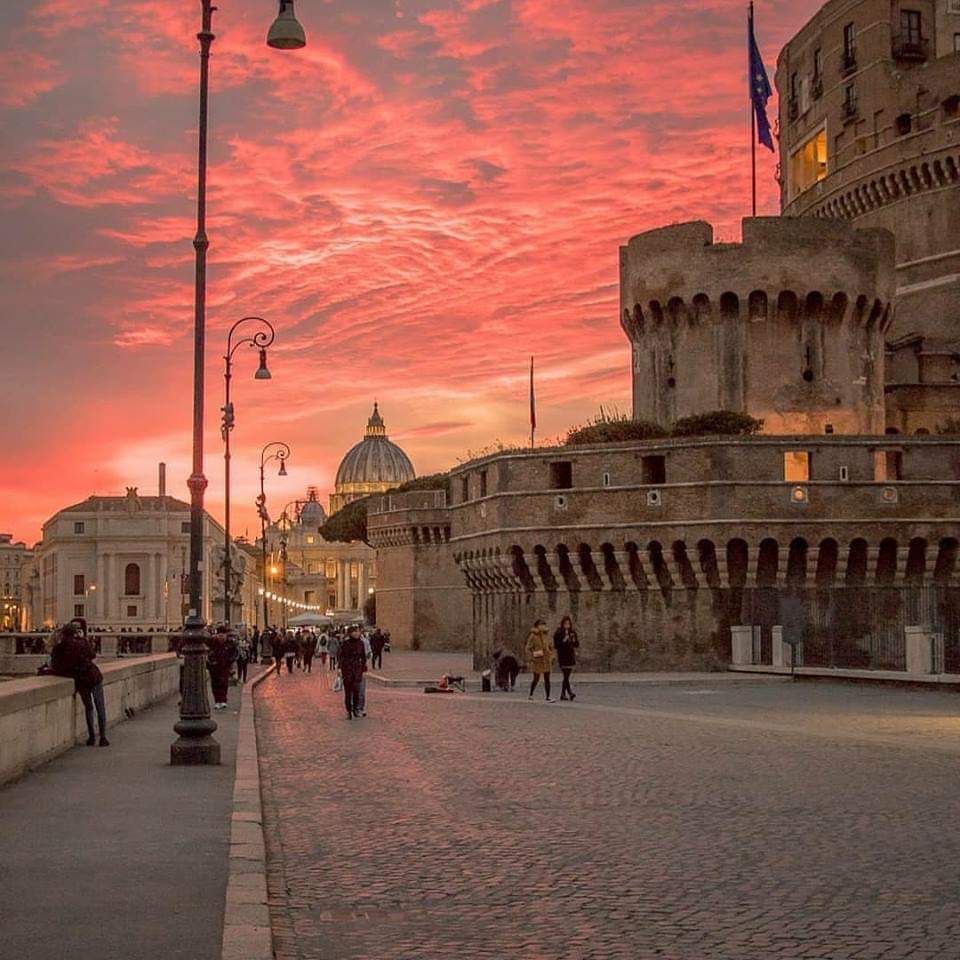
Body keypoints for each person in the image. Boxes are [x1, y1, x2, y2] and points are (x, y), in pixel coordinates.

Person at [50, 618, 109, 746]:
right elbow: (92, 655)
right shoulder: (82, 642)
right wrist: (83, 640)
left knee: (89, 708)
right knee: (100, 708)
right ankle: (103, 737)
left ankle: (92, 737)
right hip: (93, 676)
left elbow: (58, 666)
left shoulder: (60, 648)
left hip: (81, 680)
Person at [338, 625, 367, 719]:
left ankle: (355, 710)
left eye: (358, 631)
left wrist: (363, 669)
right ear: (350, 633)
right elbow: (341, 656)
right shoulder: (345, 643)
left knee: (356, 691)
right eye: (355, 631)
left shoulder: (361, 643)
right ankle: (348, 710)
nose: (357, 633)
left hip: (357, 669)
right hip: (347, 669)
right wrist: (339, 668)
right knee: (348, 692)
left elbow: (363, 657)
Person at [207, 627, 237, 710]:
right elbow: (207, 652)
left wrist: (230, 661)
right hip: (214, 666)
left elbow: (234, 653)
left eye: (223, 634)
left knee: (224, 682)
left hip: (225, 666)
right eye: (219, 634)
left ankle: (223, 700)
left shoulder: (230, 643)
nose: (221, 636)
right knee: (215, 683)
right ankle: (217, 701)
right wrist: (210, 662)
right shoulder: (212, 642)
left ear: (226, 635)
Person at [524, 619, 554, 702]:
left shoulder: (546, 635)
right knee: (536, 678)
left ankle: (548, 696)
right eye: (541, 625)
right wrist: (532, 657)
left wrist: (551, 655)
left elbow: (551, 646)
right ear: (537, 626)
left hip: (546, 659)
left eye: (544, 625)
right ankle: (531, 694)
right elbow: (528, 648)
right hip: (537, 659)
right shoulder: (533, 636)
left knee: (547, 678)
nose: (542, 626)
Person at [553, 615, 580, 701]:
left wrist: (574, 640)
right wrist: (564, 640)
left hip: (570, 656)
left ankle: (564, 694)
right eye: (565, 624)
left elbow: (576, 644)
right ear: (562, 624)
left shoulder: (572, 632)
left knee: (566, 676)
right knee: (565, 675)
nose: (567, 625)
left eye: (568, 623)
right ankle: (569, 693)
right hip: (562, 656)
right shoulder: (558, 633)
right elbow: (556, 645)